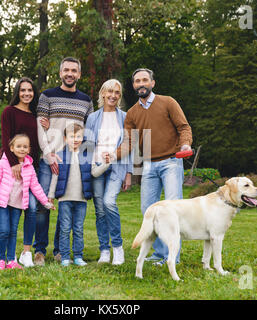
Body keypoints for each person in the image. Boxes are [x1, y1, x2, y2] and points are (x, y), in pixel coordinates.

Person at [115, 68, 192, 266]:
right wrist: (109, 155)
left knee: (172, 211)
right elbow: (127, 143)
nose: (141, 83)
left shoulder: (168, 102)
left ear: (152, 83)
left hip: (171, 161)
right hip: (148, 166)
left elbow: (184, 127)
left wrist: (185, 144)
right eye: (137, 81)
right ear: (133, 85)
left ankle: (172, 256)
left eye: (145, 80)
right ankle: (159, 254)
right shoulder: (131, 113)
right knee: (148, 210)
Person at [34, 57, 94, 266]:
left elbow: (87, 131)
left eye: (74, 70)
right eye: (66, 70)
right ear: (60, 73)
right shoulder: (47, 96)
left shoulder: (86, 100)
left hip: (73, 160)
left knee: (65, 204)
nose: (70, 73)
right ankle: (40, 251)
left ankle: (61, 251)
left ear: (79, 74)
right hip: (50, 157)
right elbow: (40, 127)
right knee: (43, 204)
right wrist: (48, 153)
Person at [48, 123, 111, 267]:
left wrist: (106, 164)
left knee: (78, 228)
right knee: (64, 228)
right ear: (65, 138)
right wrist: (51, 196)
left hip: (81, 199)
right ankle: (64, 257)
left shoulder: (87, 155)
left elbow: (94, 172)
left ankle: (77, 256)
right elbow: (55, 177)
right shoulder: (61, 155)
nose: (75, 139)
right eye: (72, 136)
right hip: (64, 199)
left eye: (78, 136)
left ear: (82, 138)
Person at [0, 134, 55, 270]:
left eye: (25, 147)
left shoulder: (29, 167)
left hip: (17, 205)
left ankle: (12, 260)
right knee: (4, 231)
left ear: (29, 150)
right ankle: (1, 259)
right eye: (19, 146)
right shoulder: (2, 163)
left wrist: (45, 202)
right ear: (11, 148)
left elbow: (35, 187)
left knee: (13, 231)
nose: (22, 149)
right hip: (2, 204)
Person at [85, 79, 133, 265]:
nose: (113, 95)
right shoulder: (92, 118)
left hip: (117, 166)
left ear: (119, 96)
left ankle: (118, 248)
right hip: (97, 167)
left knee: (109, 202)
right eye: (110, 91)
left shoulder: (125, 117)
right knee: (100, 210)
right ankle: (104, 250)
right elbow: (87, 147)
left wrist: (128, 172)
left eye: (117, 93)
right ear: (103, 93)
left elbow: (129, 145)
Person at [0, 77, 44, 267]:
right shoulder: (9, 112)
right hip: (12, 167)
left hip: (30, 168)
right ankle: (6, 256)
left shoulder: (35, 115)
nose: (27, 93)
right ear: (17, 91)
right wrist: (13, 163)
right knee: (14, 211)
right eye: (23, 90)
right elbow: (5, 138)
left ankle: (26, 252)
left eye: (30, 90)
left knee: (32, 208)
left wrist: (44, 125)